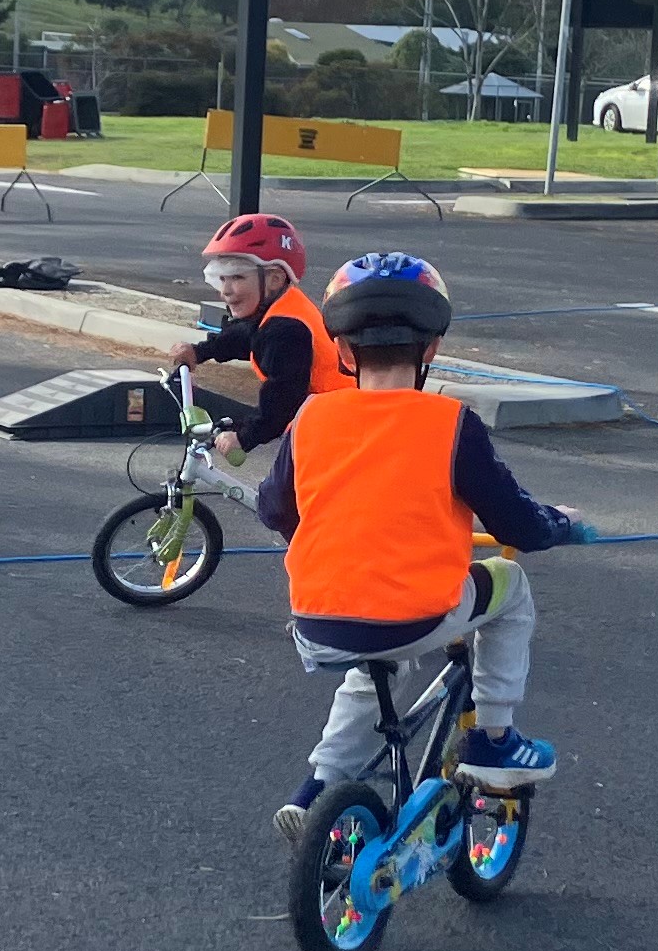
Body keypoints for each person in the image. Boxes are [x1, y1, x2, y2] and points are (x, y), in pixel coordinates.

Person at [258, 252, 589, 839]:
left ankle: (316, 788)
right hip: (416, 611)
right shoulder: (451, 424)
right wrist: (562, 523)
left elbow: (273, 508)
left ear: (342, 351)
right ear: (432, 349)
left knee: (373, 667)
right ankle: (494, 739)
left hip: (316, 618)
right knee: (510, 589)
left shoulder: (309, 419)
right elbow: (517, 526)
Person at [179, 211, 344, 470]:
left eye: (237, 277)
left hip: (334, 430)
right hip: (319, 422)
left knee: (276, 504)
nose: (226, 291)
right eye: (221, 278)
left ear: (275, 278)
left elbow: (281, 398)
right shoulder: (280, 309)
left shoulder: (285, 330)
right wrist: (200, 351)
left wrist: (244, 438)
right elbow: (246, 335)